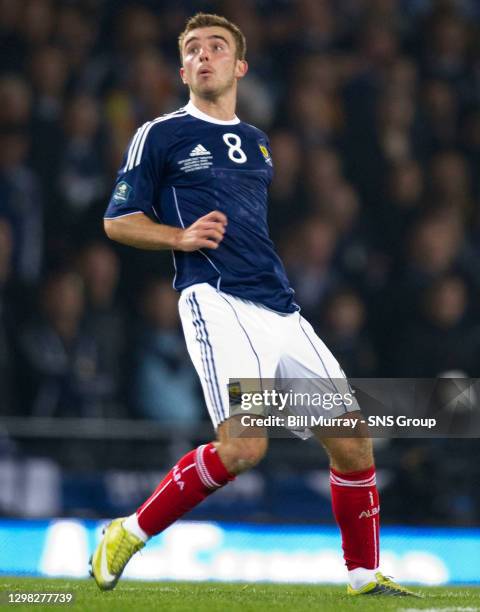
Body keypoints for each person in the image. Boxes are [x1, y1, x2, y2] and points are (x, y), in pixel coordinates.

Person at [91, 13, 419, 597]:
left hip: (280, 307)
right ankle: (128, 531)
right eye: (192, 49)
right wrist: (178, 237)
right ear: (183, 67)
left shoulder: (259, 143)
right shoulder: (160, 133)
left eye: (217, 47)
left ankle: (364, 577)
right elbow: (117, 220)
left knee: (353, 439)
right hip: (216, 301)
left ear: (240, 66)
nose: (204, 55)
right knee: (244, 446)